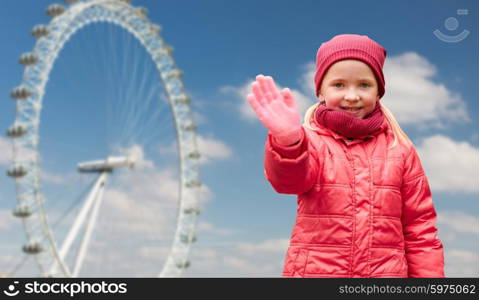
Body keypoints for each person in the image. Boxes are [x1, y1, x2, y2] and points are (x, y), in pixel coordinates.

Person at [246, 34, 445, 278]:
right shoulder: (311, 142)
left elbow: (420, 230)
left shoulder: (400, 149)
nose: (352, 96)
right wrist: (288, 141)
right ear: (320, 91)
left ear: (379, 92)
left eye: (364, 84)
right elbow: (289, 182)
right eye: (339, 85)